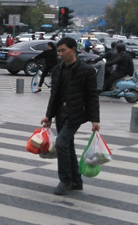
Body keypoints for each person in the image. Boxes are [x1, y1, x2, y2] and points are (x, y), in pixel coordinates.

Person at [39, 37, 100, 195]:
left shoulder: (86, 70)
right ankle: (76, 181)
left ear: (73, 50)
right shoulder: (59, 69)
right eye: (59, 51)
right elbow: (54, 94)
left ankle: (65, 180)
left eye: (63, 50)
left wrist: (95, 119)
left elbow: (92, 96)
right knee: (68, 146)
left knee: (61, 143)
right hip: (60, 112)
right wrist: (49, 116)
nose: (60, 54)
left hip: (76, 113)